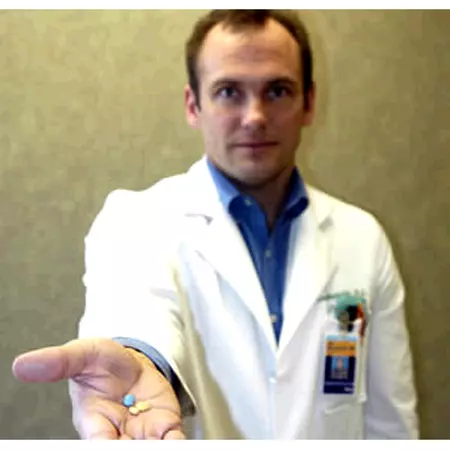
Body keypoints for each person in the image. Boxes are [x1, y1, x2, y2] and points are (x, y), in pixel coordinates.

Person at [12, 10, 419, 439]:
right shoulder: (136, 221)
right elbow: (135, 309)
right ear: (194, 105)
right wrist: (141, 358)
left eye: (277, 90)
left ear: (309, 102)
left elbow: (391, 425)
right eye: (228, 92)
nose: (255, 116)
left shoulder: (363, 238)